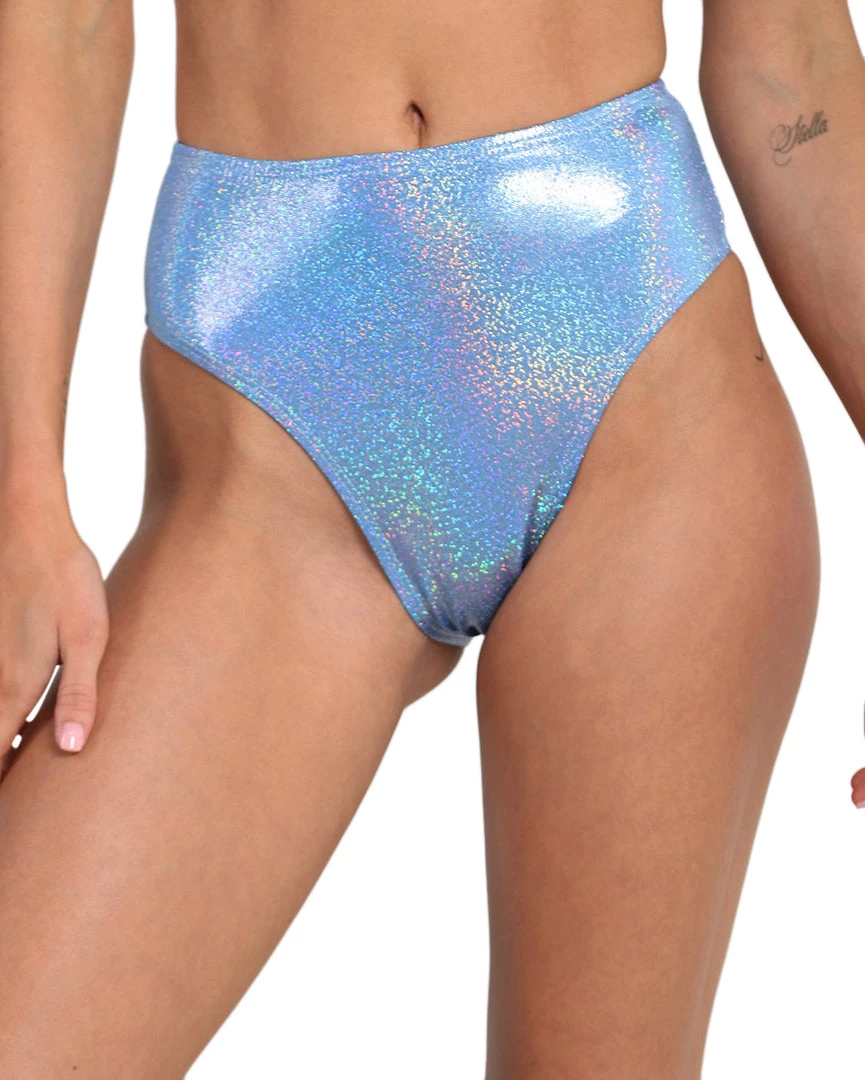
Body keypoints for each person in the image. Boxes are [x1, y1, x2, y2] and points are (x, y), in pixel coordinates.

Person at [0, 0, 861, 1075]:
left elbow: (792, 61)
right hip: (269, 424)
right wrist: (22, 492)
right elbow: (61, 23)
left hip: (646, 383)